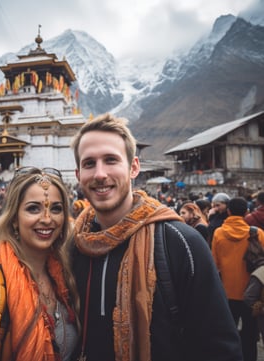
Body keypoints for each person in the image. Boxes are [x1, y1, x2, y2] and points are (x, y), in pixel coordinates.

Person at [69, 113, 243, 361]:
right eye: (89, 163)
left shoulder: (181, 243)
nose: (99, 173)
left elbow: (220, 348)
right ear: (78, 175)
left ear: (134, 167)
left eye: (111, 160)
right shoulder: (72, 247)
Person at [0, 167, 79, 360]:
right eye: (33, 208)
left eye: (56, 208)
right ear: (14, 219)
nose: (46, 219)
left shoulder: (68, 281)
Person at [212, 197, 264, 361]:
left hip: (227, 292)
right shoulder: (258, 234)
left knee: (228, 333)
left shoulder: (219, 233)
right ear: (246, 212)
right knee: (250, 334)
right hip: (252, 295)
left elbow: (215, 263)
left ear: (228, 211)